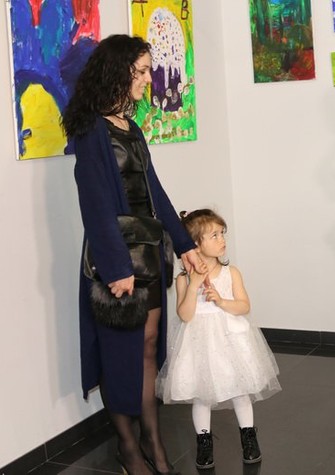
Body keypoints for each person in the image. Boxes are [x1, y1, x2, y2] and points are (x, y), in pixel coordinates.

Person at [63, 34, 206, 475]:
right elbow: (95, 204)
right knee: (120, 356)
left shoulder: (132, 128)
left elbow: (154, 193)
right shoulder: (92, 131)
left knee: (146, 348)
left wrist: (185, 245)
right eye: (141, 71)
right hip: (118, 265)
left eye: (147, 70)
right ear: (118, 73)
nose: (148, 79)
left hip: (149, 256)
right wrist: (115, 268)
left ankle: (153, 441)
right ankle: (128, 449)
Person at [156, 209, 281, 469]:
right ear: (195, 244)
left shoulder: (230, 273)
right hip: (199, 344)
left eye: (222, 233)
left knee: (239, 389)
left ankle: (248, 436)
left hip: (229, 340)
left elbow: (244, 306)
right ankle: (204, 441)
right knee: (201, 395)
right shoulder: (184, 280)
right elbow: (185, 315)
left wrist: (222, 301)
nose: (222, 239)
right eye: (214, 235)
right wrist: (194, 285)